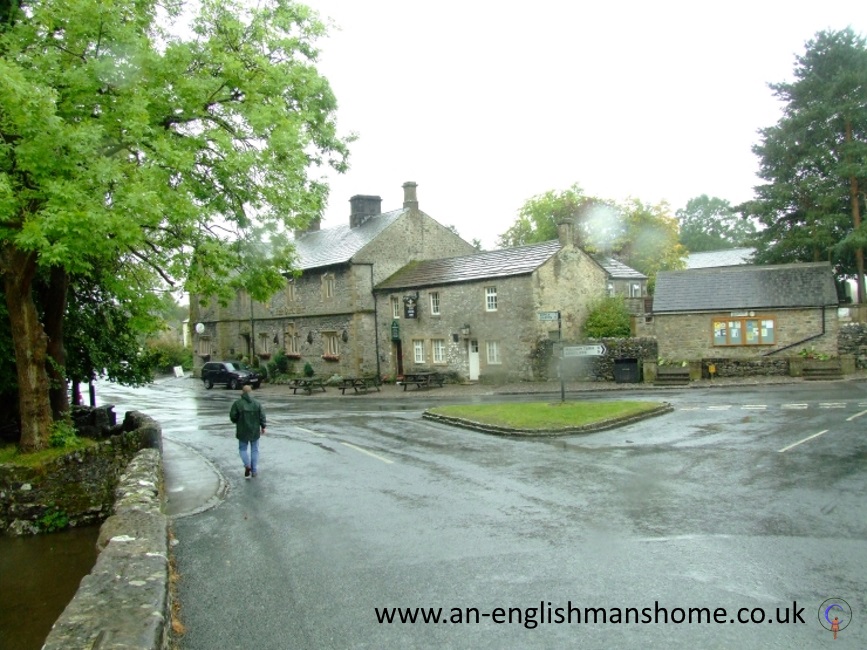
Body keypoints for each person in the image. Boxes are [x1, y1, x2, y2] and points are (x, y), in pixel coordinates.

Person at [229, 384, 266, 478]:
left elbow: (233, 416)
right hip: (254, 430)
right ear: (251, 392)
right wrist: (263, 426)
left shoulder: (237, 403)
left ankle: (247, 465)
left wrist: (237, 421)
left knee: (242, 449)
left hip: (242, 430)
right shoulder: (257, 403)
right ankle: (254, 471)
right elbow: (262, 416)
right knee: (255, 450)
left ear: (242, 392)